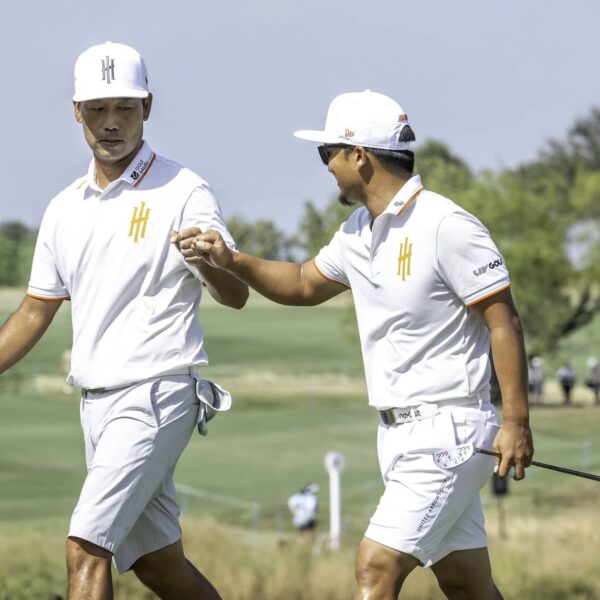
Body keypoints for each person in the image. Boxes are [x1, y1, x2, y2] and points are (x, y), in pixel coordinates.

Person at [173, 90, 534, 599]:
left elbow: (504, 322)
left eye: (328, 154)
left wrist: (516, 422)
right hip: (400, 436)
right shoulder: (358, 232)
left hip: (450, 432)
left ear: (359, 155)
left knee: (375, 567)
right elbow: (301, 283)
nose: (326, 167)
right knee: (466, 583)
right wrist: (230, 260)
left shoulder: (445, 225)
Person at [0, 42, 248, 599]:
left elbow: (234, 296)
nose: (111, 124)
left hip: (157, 394)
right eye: (97, 110)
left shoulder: (185, 190)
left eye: (126, 109)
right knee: (159, 565)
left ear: (148, 107)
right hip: (97, 405)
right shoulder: (64, 208)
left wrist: (217, 261)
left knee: (86, 548)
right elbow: (36, 309)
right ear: (76, 112)